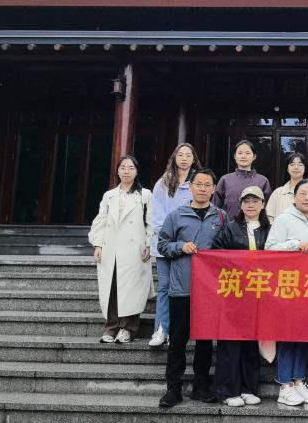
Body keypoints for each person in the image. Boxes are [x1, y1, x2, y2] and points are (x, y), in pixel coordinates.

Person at [156, 167, 228, 408]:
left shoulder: (220, 217)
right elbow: (162, 245)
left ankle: (201, 386)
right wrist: (180, 247)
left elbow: (227, 248)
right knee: (177, 341)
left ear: (214, 189)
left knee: (205, 341)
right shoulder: (176, 215)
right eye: (199, 184)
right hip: (181, 288)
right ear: (191, 187)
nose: (203, 189)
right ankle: (173, 389)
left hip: (209, 290)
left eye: (207, 185)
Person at [265, 178, 308, 407]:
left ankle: (299, 380)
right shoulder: (284, 219)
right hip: (289, 286)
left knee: (304, 335)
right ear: (295, 197)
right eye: (303, 194)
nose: (307, 198)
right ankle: (284, 385)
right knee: (288, 335)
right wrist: (294, 244)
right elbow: (269, 248)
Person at [211, 185, 270, 407]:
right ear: (241, 205)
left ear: (263, 204)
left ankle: (248, 388)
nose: (251, 205)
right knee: (231, 343)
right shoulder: (231, 228)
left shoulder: (269, 229)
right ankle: (228, 390)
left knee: (251, 344)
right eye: (247, 201)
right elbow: (216, 253)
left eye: (255, 201)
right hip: (234, 293)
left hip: (259, 294)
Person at [88, 155, 154, 345]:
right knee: (112, 287)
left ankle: (128, 328)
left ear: (137, 171)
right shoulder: (109, 195)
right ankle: (111, 326)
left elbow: (151, 223)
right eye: (123, 167)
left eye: (131, 168)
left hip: (134, 250)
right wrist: (98, 245)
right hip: (111, 248)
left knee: (132, 288)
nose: (126, 171)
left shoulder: (145, 195)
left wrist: (149, 244)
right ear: (117, 171)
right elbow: (100, 222)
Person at [149, 143, 201, 348]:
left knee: (185, 289)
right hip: (164, 243)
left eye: (188, 155)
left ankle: (179, 331)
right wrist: (172, 235)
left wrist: (184, 239)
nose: (184, 158)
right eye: (180, 154)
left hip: (188, 245)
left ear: (194, 159)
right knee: (164, 287)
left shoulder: (198, 182)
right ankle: (161, 329)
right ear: (174, 157)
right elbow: (156, 214)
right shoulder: (162, 183)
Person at [213, 139, 272, 220]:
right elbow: (215, 208)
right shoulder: (225, 180)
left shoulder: (263, 181)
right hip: (228, 226)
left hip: (256, 226)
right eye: (240, 153)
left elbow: (268, 208)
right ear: (235, 156)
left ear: (254, 156)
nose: (243, 156)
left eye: (247, 153)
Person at [265, 152, 308, 224]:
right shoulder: (277, 193)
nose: (296, 167)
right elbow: (269, 217)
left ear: (305, 168)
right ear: (287, 169)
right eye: (292, 164)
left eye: (300, 164)